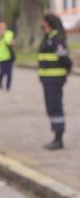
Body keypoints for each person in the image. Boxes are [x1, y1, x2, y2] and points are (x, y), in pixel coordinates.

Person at [38, 14, 72, 150]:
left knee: (55, 107)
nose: (41, 24)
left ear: (47, 23)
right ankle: (56, 136)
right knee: (51, 108)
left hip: (54, 79)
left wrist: (67, 69)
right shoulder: (48, 38)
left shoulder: (55, 39)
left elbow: (64, 58)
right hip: (48, 79)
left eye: (43, 21)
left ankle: (59, 139)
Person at [0, 21, 16, 91]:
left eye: (3, 26)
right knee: (2, 72)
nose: (2, 28)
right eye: (1, 26)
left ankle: (8, 87)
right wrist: (0, 36)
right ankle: (0, 83)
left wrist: (5, 37)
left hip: (9, 56)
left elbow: (12, 42)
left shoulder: (10, 33)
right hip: (0, 57)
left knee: (9, 73)